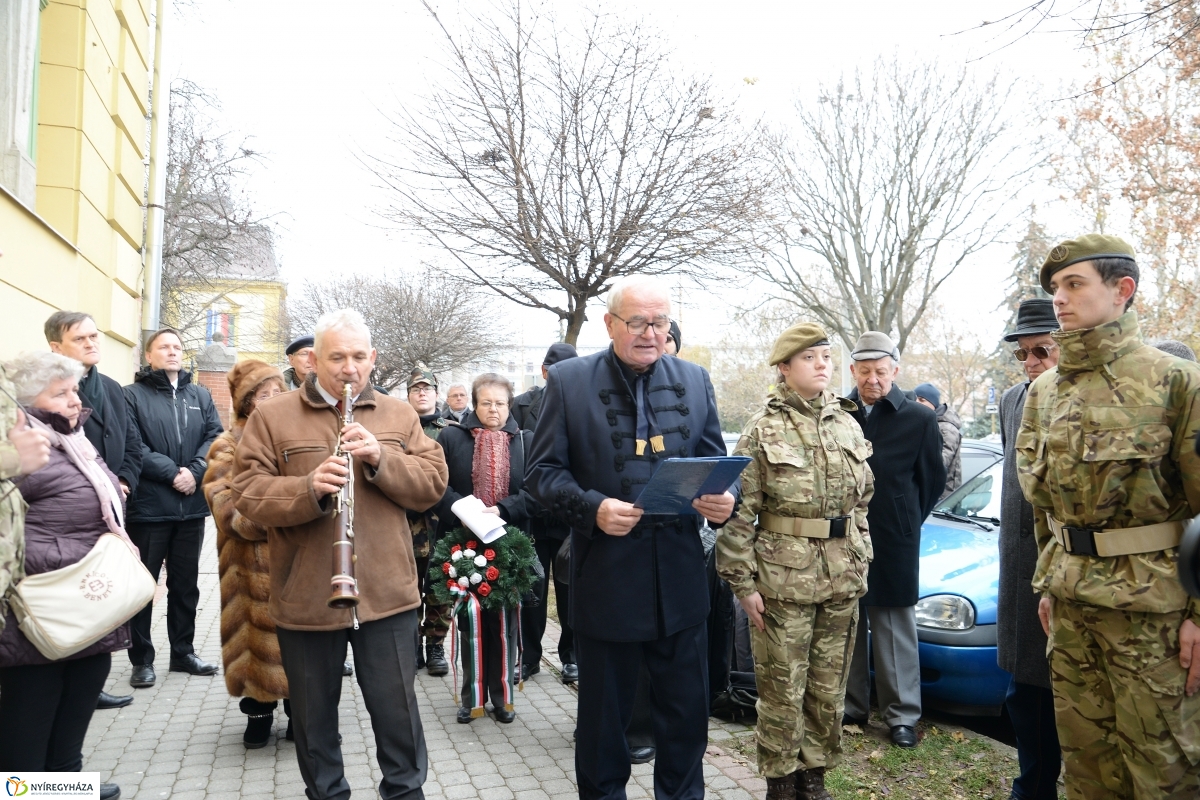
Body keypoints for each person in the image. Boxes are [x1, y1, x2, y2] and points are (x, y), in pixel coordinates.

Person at [527, 276, 735, 800]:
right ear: (610, 324)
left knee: (686, 721)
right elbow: (542, 475)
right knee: (603, 726)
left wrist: (725, 503)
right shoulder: (570, 381)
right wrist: (593, 509)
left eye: (660, 322)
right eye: (638, 322)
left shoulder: (694, 379)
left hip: (681, 583)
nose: (650, 333)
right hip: (607, 578)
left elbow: (717, 467)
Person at [232, 308, 448, 800]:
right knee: (312, 719)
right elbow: (246, 491)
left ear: (372, 358)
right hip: (306, 597)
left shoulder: (399, 414)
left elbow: (433, 484)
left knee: (398, 712)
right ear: (312, 360)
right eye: (336, 358)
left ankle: (405, 790)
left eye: (357, 357)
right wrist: (306, 489)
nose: (348, 368)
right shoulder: (273, 415)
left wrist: (381, 458)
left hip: (387, 594)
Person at [1016, 234, 1200, 797]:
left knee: (1164, 773)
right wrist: (1049, 581)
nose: (1060, 301)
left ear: (1123, 291)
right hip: (1073, 610)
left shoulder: (1176, 382)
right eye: (1055, 289)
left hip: (1155, 617)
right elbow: (1044, 507)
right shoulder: (1045, 392)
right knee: (1086, 772)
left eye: (1075, 285)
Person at [717, 322, 874, 800]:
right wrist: (742, 584)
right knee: (783, 692)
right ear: (785, 369)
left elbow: (862, 500)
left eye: (826, 356)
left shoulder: (847, 422)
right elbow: (740, 515)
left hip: (841, 576)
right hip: (782, 582)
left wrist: (862, 553)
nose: (822, 364)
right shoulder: (762, 428)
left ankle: (815, 778)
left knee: (828, 692)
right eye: (810, 358)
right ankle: (781, 784)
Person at [0, 352, 131, 800]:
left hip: (86, 607)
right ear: (22, 403)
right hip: (38, 615)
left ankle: (67, 787)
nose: (76, 401)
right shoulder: (17, 445)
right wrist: (8, 464)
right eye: (61, 393)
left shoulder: (70, 439)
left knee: (69, 733)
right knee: (24, 751)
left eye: (74, 390)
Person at [842, 331, 945, 749]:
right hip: (844, 535)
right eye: (864, 371)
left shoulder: (918, 419)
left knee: (893, 625)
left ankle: (901, 715)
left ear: (895, 371)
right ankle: (851, 705)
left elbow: (932, 481)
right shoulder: (839, 414)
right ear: (852, 371)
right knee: (847, 621)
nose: (873, 380)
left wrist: (905, 518)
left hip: (894, 536)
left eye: (881, 372)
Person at [44, 310, 143, 711]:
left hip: (113, 512)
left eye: (94, 336)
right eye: (80, 338)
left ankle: (90, 684)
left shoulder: (113, 389)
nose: (91, 343)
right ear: (56, 348)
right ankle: (67, 685)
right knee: (74, 602)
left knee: (102, 600)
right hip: (67, 523)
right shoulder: (45, 391)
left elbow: (132, 444)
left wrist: (123, 482)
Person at [123, 328, 224, 688]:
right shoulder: (131, 396)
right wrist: (172, 474)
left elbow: (215, 437)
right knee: (144, 588)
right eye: (164, 347)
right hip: (150, 507)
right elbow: (132, 444)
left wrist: (195, 471)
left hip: (191, 507)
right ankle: (141, 660)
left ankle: (183, 653)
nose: (172, 352)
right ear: (149, 355)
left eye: (177, 347)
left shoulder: (200, 394)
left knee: (186, 587)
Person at [433, 373, 535, 723]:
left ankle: (502, 696)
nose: (494, 409)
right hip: (465, 542)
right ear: (475, 404)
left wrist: (504, 509)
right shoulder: (452, 437)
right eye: (487, 402)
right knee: (471, 621)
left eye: (501, 403)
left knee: (504, 622)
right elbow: (436, 485)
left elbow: (537, 491)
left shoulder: (525, 441)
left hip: (509, 542)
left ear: (510, 405)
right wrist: (461, 511)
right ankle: (472, 697)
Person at [201, 360, 290, 749]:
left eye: (277, 392)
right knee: (255, 641)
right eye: (263, 395)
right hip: (248, 563)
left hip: (296, 561)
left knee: (299, 644)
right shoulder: (227, 446)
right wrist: (286, 515)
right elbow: (226, 510)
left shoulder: (293, 438)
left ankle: (302, 715)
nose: (272, 401)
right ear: (246, 402)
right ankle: (258, 715)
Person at [996, 298, 1062, 800]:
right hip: (1020, 573)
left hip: (1070, 574)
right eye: (1023, 354)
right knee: (1026, 694)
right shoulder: (1012, 401)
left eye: (1041, 350)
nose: (1031, 363)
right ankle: (1032, 786)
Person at [514, 343, 579, 685]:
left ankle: (571, 658)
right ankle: (529, 658)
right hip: (533, 516)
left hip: (571, 518)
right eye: (556, 371)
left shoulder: (586, 403)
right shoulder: (522, 405)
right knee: (532, 593)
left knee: (571, 595)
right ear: (543, 371)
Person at [406, 363, 451, 677]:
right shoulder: (397, 428)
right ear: (408, 395)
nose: (422, 393)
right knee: (408, 589)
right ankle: (410, 648)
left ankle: (435, 646)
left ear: (437, 393)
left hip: (441, 524)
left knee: (439, 587)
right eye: (416, 389)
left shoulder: (452, 429)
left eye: (427, 389)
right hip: (404, 525)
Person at [912, 383, 961, 502]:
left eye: (922, 399)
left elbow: (940, 463)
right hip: (929, 493)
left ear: (933, 403)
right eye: (915, 399)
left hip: (942, 499)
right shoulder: (926, 422)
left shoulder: (946, 428)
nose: (917, 402)